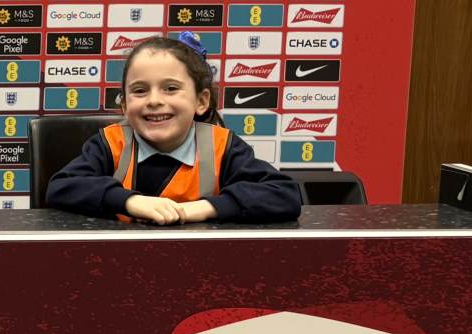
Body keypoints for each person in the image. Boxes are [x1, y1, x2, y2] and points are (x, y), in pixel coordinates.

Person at [44, 34, 303, 224]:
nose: (154, 100)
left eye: (170, 88)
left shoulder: (222, 146)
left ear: (201, 101)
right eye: (140, 91)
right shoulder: (111, 143)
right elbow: (61, 188)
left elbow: (284, 195)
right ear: (124, 105)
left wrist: (203, 209)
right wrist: (130, 201)